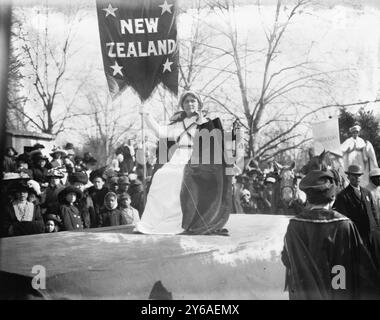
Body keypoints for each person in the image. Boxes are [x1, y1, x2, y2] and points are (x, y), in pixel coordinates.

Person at [135, 90, 231, 235]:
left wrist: (229, 161)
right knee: (161, 175)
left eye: (193, 101)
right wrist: (147, 115)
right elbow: (161, 132)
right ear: (182, 105)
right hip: (178, 156)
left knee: (180, 177)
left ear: (198, 104)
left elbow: (217, 146)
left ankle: (181, 221)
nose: (189, 104)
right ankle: (154, 221)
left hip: (197, 158)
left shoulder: (206, 123)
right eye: (186, 101)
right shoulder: (177, 124)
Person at [281, 170, 380, 299]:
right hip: (339, 289)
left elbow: (287, 259)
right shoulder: (345, 225)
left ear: (308, 199)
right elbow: (363, 266)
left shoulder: (295, 225)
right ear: (332, 199)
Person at [333, 164, 379, 247]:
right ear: (348, 177)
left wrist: (377, 227)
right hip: (356, 236)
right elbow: (343, 218)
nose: (357, 177)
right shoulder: (342, 196)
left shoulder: (366, 192)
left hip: (372, 234)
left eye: (359, 175)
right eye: (354, 175)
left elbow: (373, 211)